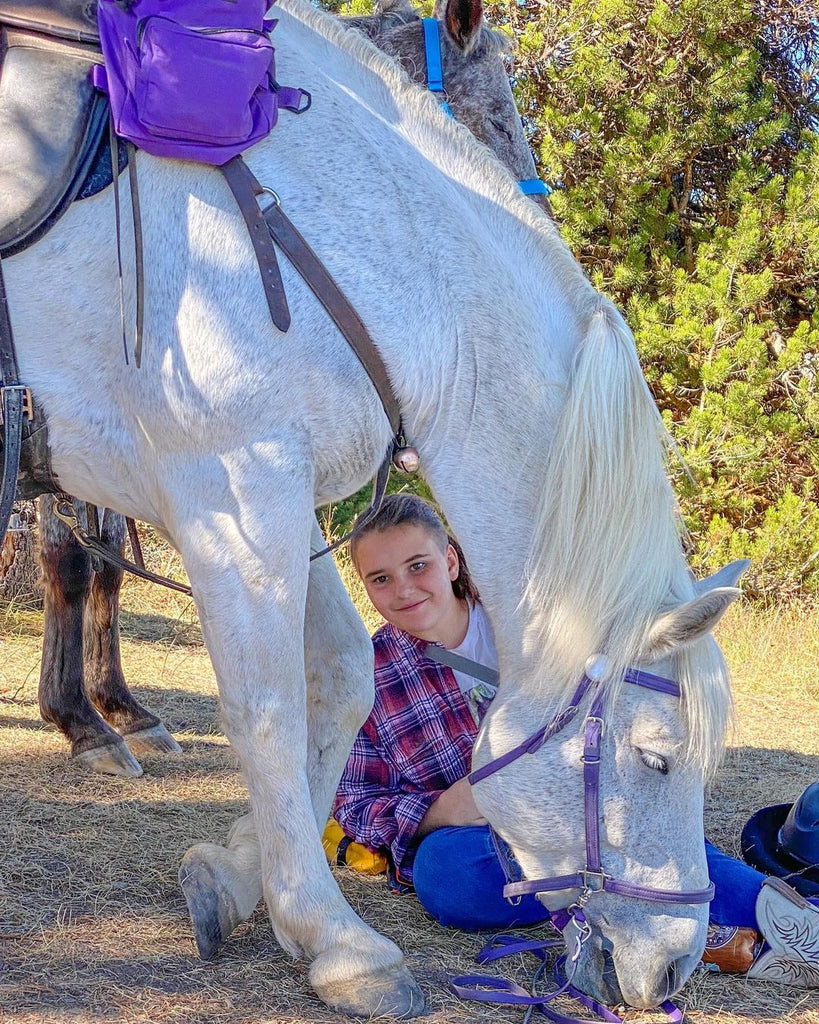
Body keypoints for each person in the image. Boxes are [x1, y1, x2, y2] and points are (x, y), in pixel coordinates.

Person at [333, 492, 819, 987]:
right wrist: (444, 810)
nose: (404, 589)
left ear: (451, 560)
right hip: (486, 843)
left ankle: (794, 925)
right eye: (381, 578)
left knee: (638, 830)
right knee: (442, 874)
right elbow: (355, 803)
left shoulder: (539, 624)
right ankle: (646, 921)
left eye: (418, 565)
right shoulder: (366, 674)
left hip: (586, 813)